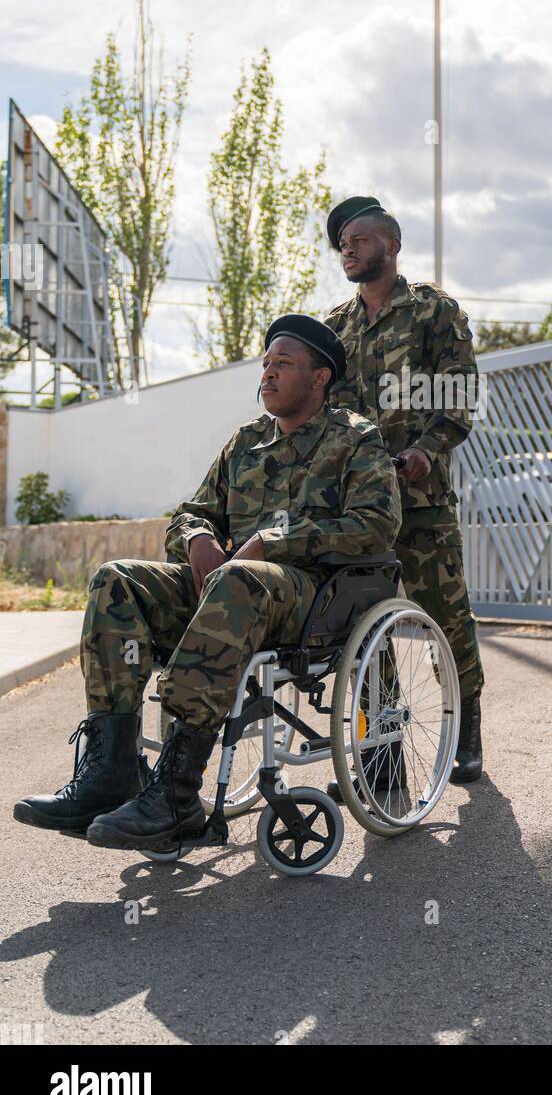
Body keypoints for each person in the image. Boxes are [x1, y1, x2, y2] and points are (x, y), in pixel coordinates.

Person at [12, 315, 401, 852]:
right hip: (229, 592)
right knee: (116, 580)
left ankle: (175, 792)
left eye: (283, 364)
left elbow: (376, 525)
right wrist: (196, 536)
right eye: (265, 363)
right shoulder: (244, 442)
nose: (267, 373)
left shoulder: (355, 439)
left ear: (319, 378)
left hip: (313, 598)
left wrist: (271, 541)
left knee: (240, 578)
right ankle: (111, 772)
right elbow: (191, 511)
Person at [323, 195, 484, 789]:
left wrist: (427, 449)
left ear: (392, 244)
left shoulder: (432, 312)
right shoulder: (334, 328)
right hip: (358, 510)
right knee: (363, 628)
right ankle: (382, 751)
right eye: (342, 242)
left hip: (420, 501)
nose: (349, 248)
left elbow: (458, 394)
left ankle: (466, 728)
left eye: (360, 238)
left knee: (445, 616)